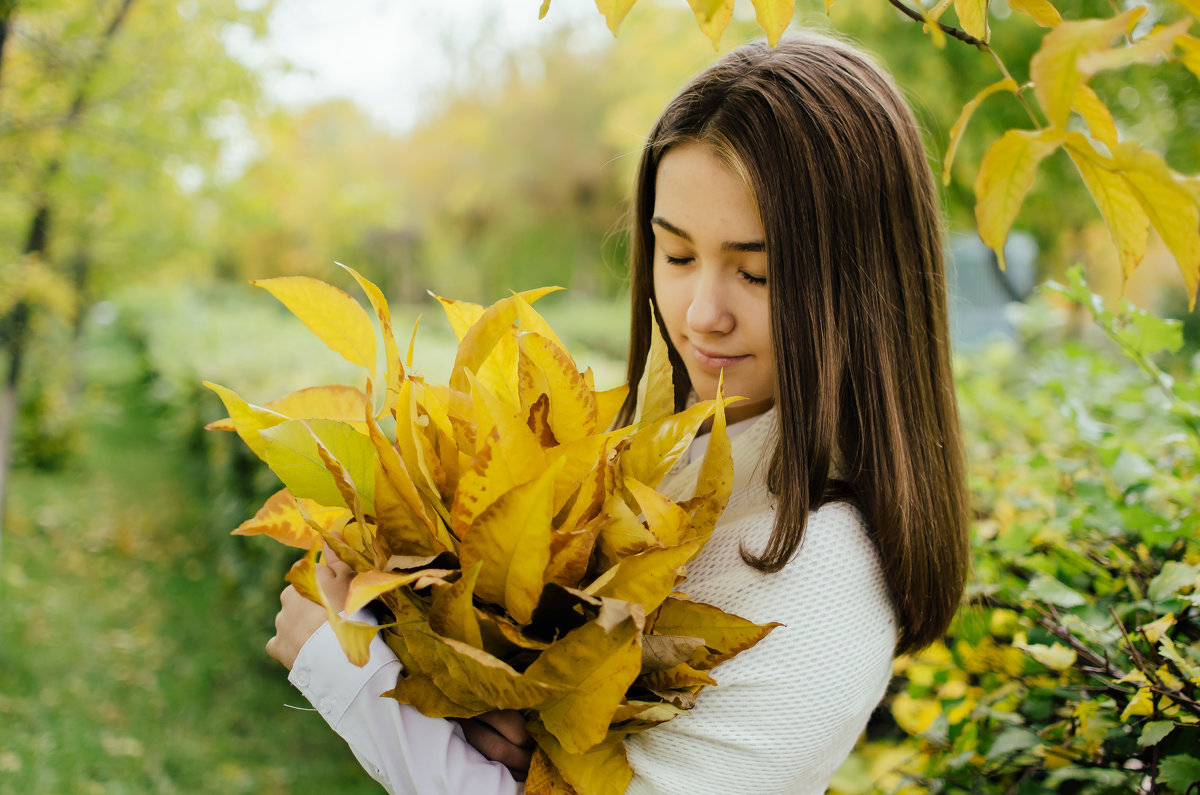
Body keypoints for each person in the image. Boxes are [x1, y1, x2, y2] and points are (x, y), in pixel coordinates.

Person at [266, 30, 969, 794]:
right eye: (675, 256)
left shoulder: (828, 577)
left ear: (866, 284)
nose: (701, 313)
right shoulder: (656, 462)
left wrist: (345, 672)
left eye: (757, 272)